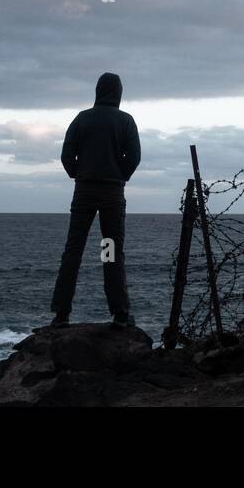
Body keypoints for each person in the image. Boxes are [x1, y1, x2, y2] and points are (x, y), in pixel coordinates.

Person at [50, 72, 141, 328]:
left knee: (73, 250)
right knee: (110, 250)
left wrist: (78, 174)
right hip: (112, 193)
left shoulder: (82, 119)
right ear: (119, 93)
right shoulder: (125, 121)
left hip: (84, 191)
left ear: (98, 91)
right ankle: (120, 312)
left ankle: (61, 313)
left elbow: (67, 154)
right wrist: (120, 174)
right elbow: (134, 155)